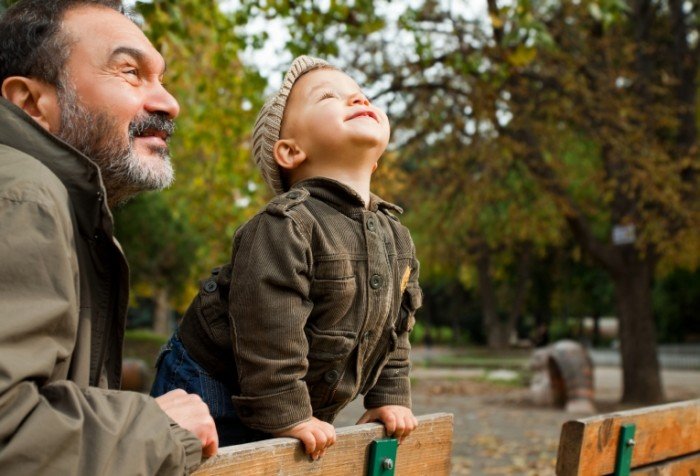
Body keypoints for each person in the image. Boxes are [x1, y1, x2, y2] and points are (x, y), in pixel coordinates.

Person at [152, 56, 423, 460]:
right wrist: (287, 411)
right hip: (213, 386)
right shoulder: (286, 225)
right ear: (291, 151)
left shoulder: (396, 236)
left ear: (377, 158)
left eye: (360, 95)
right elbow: (269, 325)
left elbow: (395, 330)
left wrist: (388, 396)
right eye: (330, 97)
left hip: (297, 396)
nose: (356, 100)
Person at [0, 1, 218, 473]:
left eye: (161, 78)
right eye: (130, 72)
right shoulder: (24, 199)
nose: (168, 103)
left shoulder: (57, 205)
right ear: (31, 102)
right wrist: (158, 427)